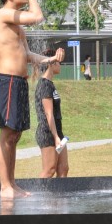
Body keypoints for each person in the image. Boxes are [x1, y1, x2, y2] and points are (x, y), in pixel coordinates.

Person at [0, 0, 64, 200]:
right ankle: (5, 186)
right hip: (8, 81)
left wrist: (49, 59)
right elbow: (38, 17)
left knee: (15, 135)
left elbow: (27, 55)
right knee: (7, 134)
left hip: (20, 82)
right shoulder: (2, 14)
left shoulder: (17, 25)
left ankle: (12, 184)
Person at [35, 50, 68, 178]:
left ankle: (60, 198)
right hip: (47, 132)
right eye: (58, 63)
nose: (60, 65)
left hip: (57, 131)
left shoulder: (50, 84)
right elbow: (49, 114)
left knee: (63, 168)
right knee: (49, 169)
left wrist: (59, 135)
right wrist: (55, 137)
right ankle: (39, 196)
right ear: (51, 64)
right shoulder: (44, 85)